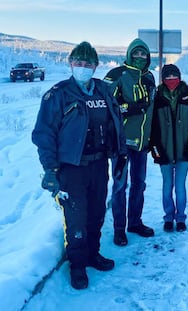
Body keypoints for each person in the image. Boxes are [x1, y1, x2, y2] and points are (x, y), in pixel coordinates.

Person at [32, 41, 127, 289]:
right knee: (76, 218)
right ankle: (77, 264)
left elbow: (116, 125)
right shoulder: (58, 94)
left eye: (88, 64)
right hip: (71, 168)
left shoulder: (104, 92)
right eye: (79, 63)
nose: (83, 67)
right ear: (70, 64)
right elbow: (44, 134)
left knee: (96, 213)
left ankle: (93, 254)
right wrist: (50, 170)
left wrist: (120, 156)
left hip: (99, 165)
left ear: (96, 66)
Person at [103, 38, 156, 246]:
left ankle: (135, 222)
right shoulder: (116, 75)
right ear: (129, 53)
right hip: (121, 144)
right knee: (119, 186)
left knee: (139, 184)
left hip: (142, 143)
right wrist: (128, 108)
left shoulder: (150, 77)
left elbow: (152, 109)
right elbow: (106, 108)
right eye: (137, 53)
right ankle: (119, 228)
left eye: (144, 54)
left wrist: (153, 137)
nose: (140, 57)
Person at [150, 64, 188, 232]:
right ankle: (168, 217)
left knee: (180, 186)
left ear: (180, 76)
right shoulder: (156, 98)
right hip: (163, 151)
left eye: (174, 76)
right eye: (168, 76)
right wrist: (157, 151)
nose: (171, 80)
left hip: (184, 151)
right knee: (166, 186)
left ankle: (180, 218)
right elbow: (152, 127)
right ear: (163, 78)